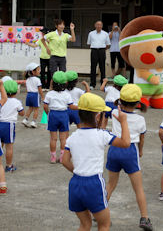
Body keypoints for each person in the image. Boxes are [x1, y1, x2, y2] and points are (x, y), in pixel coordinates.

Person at [62, 93, 131, 231]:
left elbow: (64, 161)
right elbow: (125, 143)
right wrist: (123, 121)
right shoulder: (102, 135)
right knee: (104, 224)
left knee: (85, 224)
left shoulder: (72, 137)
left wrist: (79, 170)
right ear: (97, 116)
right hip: (94, 184)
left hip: (75, 184)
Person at [105, 84, 153, 231]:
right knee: (138, 188)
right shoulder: (140, 119)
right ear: (137, 102)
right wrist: (140, 151)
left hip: (114, 148)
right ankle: (144, 218)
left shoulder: (114, 112)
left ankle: (99, 211)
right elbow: (142, 138)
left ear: (121, 100)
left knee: (111, 184)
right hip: (130, 150)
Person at [43, 71, 79, 164]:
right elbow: (71, 106)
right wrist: (80, 106)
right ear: (65, 83)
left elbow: (45, 106)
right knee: (63, 138)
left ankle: (53, 157)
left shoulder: (49, 94)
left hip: (53, 115)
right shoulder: (67, 95)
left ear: (53, 82)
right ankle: (62, 157)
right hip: (63, 115)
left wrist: (48, 113)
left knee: (53, 138)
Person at [0, 80, 25, 173]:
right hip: (9, 125)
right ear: (16, 91)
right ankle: (9, 166)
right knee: (9, 147)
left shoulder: (1, 101)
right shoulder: (16, 102)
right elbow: (22, 113)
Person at [87, 21, 111, 89]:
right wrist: (95, 47)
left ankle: (103, 84)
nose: (99, 26)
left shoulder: (105, 34)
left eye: (100, 25)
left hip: (102, 51)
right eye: (97, 25)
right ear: (95, 25)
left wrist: (102, 49)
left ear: (102, 26)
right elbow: (89, 44)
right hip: (94, 51)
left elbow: (108, 44)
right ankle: (92, 84)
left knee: (102, 68)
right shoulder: (91, 33)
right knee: (93, 68)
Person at [22, 62, 44, 128]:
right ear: (33, 71)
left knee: (30, 108)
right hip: (35, 95)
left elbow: (27, 88)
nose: (39, 71)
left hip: (29, 95)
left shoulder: (27, 79)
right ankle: (33, 122)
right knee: (36, 109)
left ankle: (25, 119)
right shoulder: (37, 80)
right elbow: (40, 89)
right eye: (38, 70)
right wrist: (43, 97)